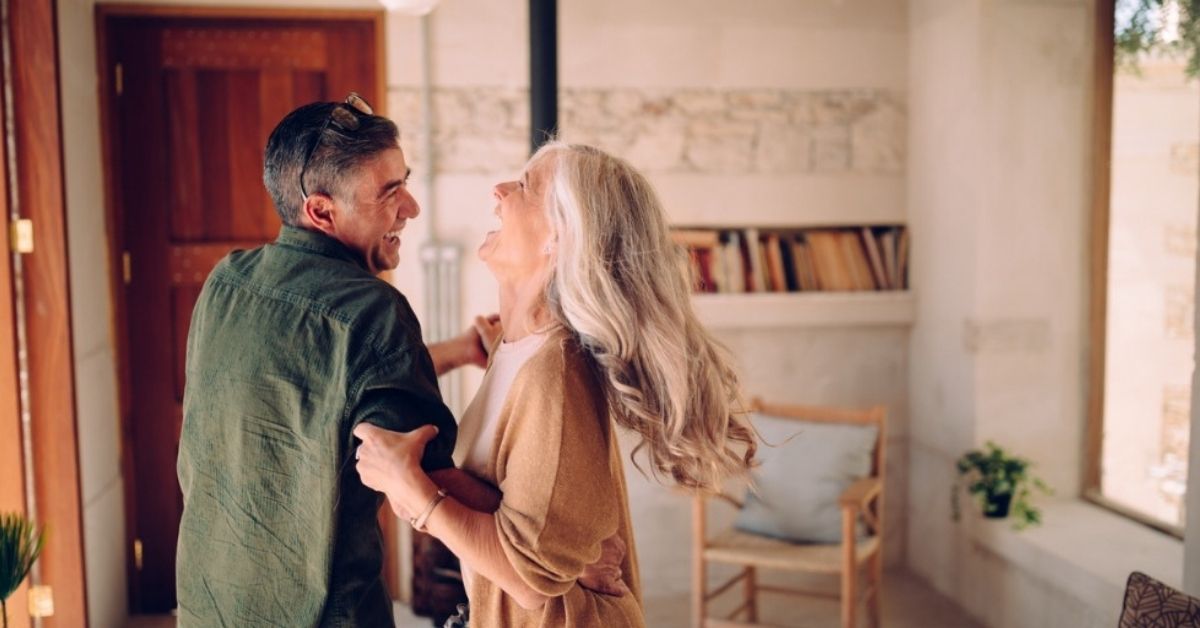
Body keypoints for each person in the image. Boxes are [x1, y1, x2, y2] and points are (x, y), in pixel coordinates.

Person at [353, 142, 759, 627]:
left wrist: (415, 493)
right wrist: (573, 549)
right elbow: (523, 514)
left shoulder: (553, 370)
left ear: (560, 237)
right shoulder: (514, 347)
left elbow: (528, 579)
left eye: (524, 187)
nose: (499, 191)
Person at [176, 93, 495, 626]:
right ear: (322, 210)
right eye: (389, 192)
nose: (411, 208)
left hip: (209, 608)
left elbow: (326, 384)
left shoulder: (226, 281)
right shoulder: (375, 311)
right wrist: (556, 545)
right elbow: (424, 482)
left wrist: (460, 351)